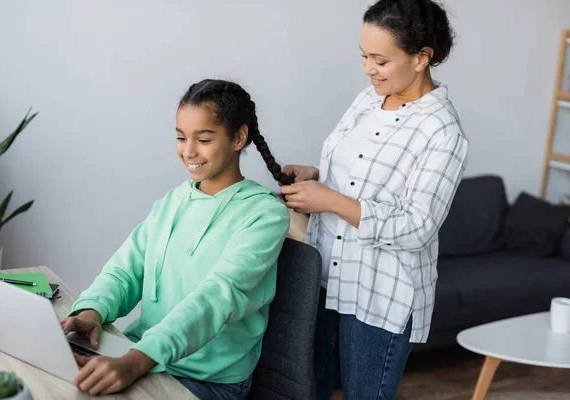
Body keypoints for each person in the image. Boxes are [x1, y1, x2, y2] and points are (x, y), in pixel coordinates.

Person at [280, 0, 469, 398]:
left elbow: (417, 226)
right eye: (364, 56)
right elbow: (358, 177)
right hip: (325, 281)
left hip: (379, 296)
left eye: (380, 60)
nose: (368, 69)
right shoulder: (368, 100)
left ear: (421, 58)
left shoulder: (442, 132)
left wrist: (328, 200)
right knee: (304, 390)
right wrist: (317, 177)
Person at [60, 79, 292, 400]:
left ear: (239, 137)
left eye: (204, 139)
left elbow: (218, 297)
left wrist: (137, 361)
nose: (188, 151)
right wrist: (92, 311)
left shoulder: (265, 214)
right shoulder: (174, 200)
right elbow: (127, 267)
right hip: (143, 355)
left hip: (208, 379)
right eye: (181, 137)